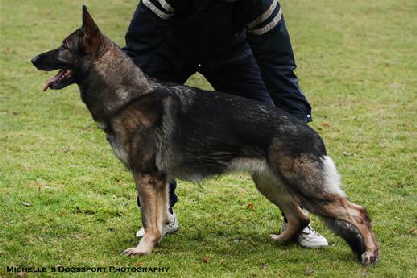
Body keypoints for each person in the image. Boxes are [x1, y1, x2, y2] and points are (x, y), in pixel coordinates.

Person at [122, 0, 328, 248]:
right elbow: (140, 43)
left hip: (231, 55)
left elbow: (277, 62)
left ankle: (296, 219)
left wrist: (298, 121)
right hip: (169, 51)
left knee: (270, 128)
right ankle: (160, 218)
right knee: (151, 135)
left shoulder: (259, 3)